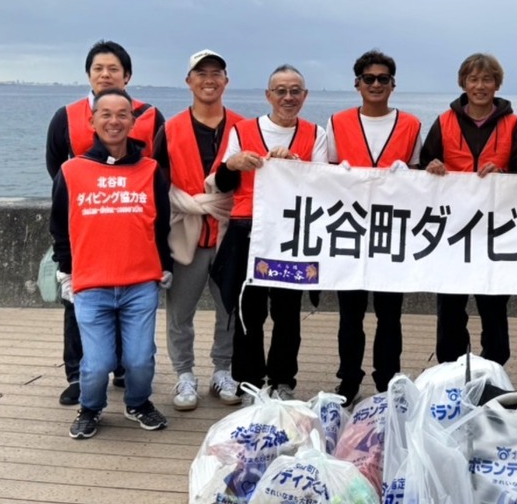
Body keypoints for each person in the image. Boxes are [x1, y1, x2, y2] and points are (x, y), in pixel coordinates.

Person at [45, 40, 165, 406]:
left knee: (131, 315)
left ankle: (126, 374)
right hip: (87, 222)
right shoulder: (67, 114)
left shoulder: (149, 115)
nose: (105, 74)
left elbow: (157, 169)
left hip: (131, 222)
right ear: (88, 75)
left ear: (127, 76)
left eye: (113, 69)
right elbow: (56, 167)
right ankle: (77, 375)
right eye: (98, 69)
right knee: (77, 308)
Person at [213, 65, 327, 402]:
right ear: (268, 95)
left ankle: (282, 380)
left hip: (292, 235)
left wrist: (293, 163)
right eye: (280, 90)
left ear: (304, 96)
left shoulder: (315, 134)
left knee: (288, 312)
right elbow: (221, 183)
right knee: (249, 311)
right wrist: (232, 165)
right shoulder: (241, 130)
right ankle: (249, 379)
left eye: (295, 91)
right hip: (247, 230)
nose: (288, 97)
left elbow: (323, 182)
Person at [420, 53, 517, 367]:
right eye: (473, 79)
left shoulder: (514, 124)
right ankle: (450, 368)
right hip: (451, 232)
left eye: (487, 79)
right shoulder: (444, 121)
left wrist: (504, 176)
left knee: (494, 306)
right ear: (463, 83)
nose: (480, 86)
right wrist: (432, 166)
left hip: (495, 233)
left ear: (497, 84)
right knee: (450, 307)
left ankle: (494, 368)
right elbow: (423, 169)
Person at [326, 49, 422, 405]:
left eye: (383, 79)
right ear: (357, 84)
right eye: (369, 78)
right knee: (349, 315)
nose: (376, 84)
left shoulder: (411, 125)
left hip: (391, 231)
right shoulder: (337, 122)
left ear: (393, 85)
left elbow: (419, 176)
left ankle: (388, 379)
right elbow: (325, 173)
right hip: (349, 230)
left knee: (389, 315)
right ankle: (348, 380)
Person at [152, 50, 243, 411]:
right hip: (183, 228)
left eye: (216, 72)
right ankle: (184, 374)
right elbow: (157, 185)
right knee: (180, 312)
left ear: (226, 80)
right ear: (189, 81)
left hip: (230, 232)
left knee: (230, 309)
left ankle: (223, 369)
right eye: (200, 73)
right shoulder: (170, 129)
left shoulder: (243, 127)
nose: (209, 79)